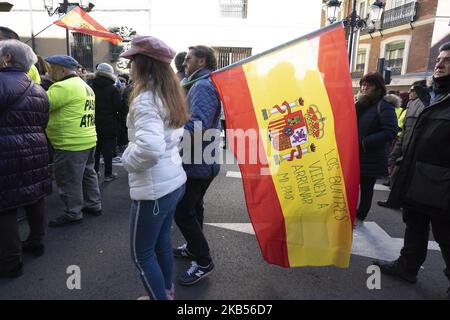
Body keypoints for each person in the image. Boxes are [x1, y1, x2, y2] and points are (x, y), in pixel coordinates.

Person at [373, 42, 450, 299]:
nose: (439, 64)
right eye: (439, 59)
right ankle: (408, 266)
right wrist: (395, 159)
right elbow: (406, 134)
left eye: (447, 61)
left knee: (445, 235)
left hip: (443, 184)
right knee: (413, 225)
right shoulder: (421, 97)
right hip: (413, 177)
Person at [119, 35, 189, 300]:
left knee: (141, 254)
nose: (129, 66)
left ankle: (160, 296)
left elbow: (149, 148)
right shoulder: (168, 93)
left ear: (144, 64)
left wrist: (126, 160)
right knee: (160, 244)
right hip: (171, 182)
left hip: (154, 189)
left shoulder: (146, 98)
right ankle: (166, 292)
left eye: (132, 61)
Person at [0, 39, 52, 278]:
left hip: (6, 152)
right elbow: (43, 121)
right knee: (34, 196)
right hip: (36, 149)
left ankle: (11, 262)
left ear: (7, 57)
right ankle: (36, 241)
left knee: (6, 205)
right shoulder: (38, 89)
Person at [173, 45, 221, 285]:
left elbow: (198, 125)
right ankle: (194, 248)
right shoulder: (203, 83)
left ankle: (203, 261)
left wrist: (172, 134)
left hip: (198, 160)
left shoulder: (202, 85)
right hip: (203, 159)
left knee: (182, 211)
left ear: (201, 61)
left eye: (188, 59)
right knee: (195, 207)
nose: (184, 62)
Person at [45, 55, 102, 227]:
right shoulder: (84, 86)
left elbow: (41, 105)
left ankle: (73, 212)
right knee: (87, 173)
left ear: (62, 69)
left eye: (51, 68)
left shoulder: (62, 86)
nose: (49, 71)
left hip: (69, 142)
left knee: (68, 179)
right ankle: (93, 204)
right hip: (87, 138)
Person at [354, 72, 398, 226]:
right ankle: (349, 211)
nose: (364, 88)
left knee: (366, 189)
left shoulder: (384, 106)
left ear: (377, 87)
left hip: (371, 156)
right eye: (363, 84)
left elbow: (390, 131)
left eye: (369, 85)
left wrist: (364, 143)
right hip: (355, 155)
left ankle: (361, 215)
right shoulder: (361, 103)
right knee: (350, 186)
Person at [378, 80, 429, 208]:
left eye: (413, 90)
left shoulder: (426, 104)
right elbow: (406, 128)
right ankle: (394, 202)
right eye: (410, 90)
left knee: (404, 178)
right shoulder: (411, 105)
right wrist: (397, 149)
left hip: (417, 150)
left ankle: (401, 203)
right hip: (404, 144)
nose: (410, 93)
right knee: (396, 175)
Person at [92, 63, 122, 182]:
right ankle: (108, 174)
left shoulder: (91, 86)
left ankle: (94, 172)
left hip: (94, 123)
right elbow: (118, 107)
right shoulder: (113, 89)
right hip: (109, 123)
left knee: (96, 150)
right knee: (107, 151)